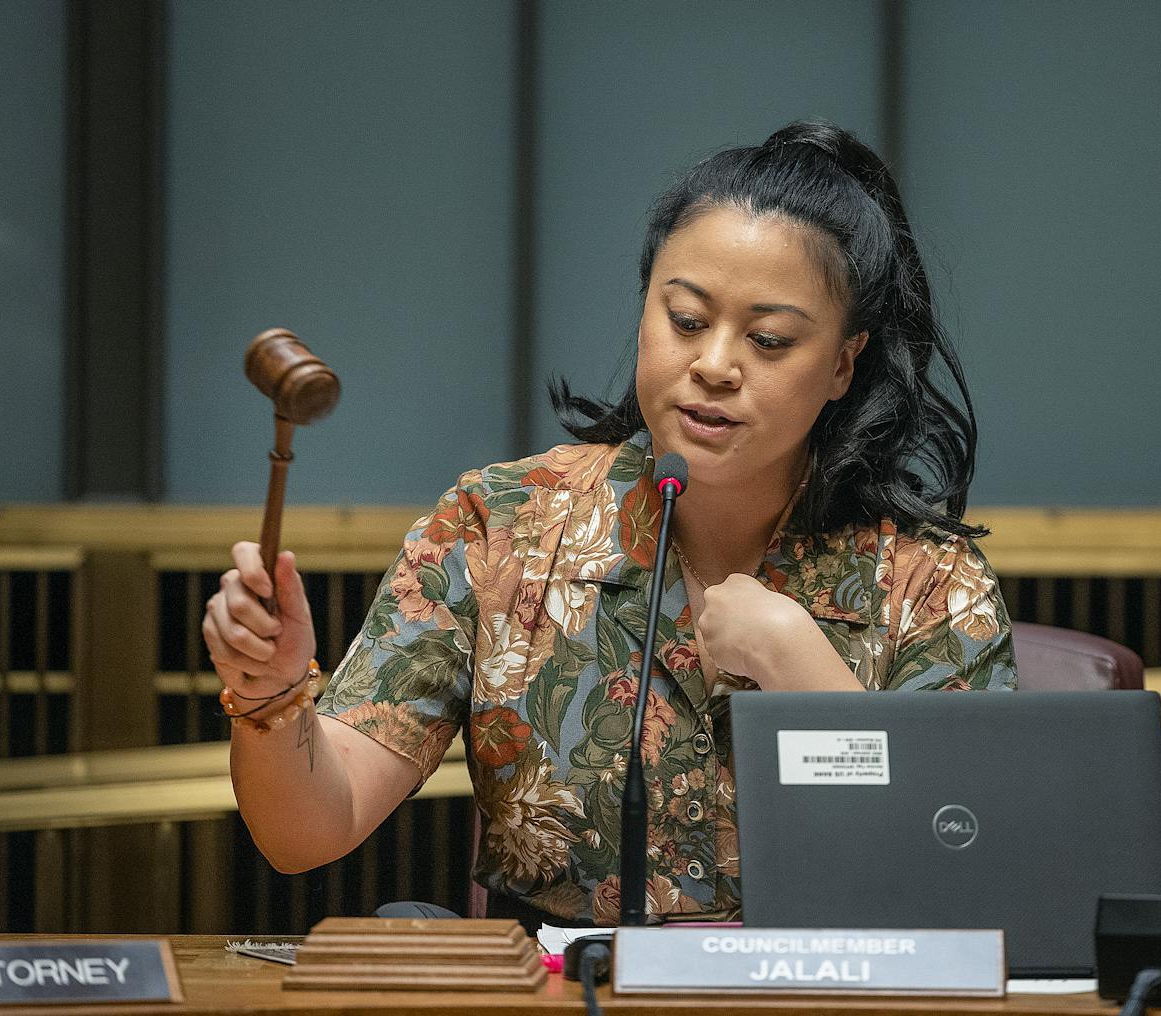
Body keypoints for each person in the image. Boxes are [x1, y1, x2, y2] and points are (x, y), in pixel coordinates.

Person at [202, 120, 1017, 928]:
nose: (714, 365)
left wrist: (797, 664)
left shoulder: (930, 584)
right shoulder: (499, 530)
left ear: (842, 363)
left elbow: (965, 875)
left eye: (769, 340)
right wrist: (272, 694)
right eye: (686, 320)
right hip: (564, 987)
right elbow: (307, 832)